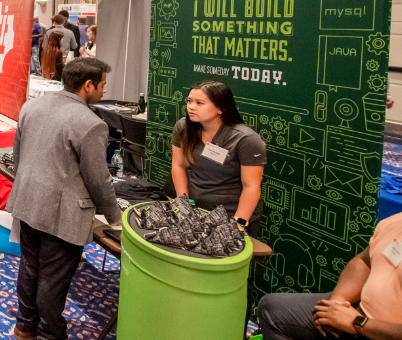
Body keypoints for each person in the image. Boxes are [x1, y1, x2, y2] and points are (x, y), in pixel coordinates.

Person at [7, 57, 121, 340]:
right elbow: (98, 178)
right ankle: (49, 334)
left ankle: (25, 326)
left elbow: (18, 157)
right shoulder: (91, 123)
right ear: (87, 85)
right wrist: (115, 217)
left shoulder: (31, 105)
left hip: (27, 201)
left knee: (30, 268)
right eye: (102, 85)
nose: (104, 91)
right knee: (52, 280)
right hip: (62, 213)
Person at [257, 212, 402, 340]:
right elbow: (364, 261)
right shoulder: (394, 222)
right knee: (271, 309)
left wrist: (358, 323)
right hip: (359, 313)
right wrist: (338, 301)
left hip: (376, 329)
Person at [171, 81, 266, 235]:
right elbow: (178, 166)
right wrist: (183, 205)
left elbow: (251, 186)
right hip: (197, 211)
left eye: (199, 103)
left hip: (231, 217)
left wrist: (238, 225)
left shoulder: (245, 138)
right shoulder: (183, 127)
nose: (191, 107)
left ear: (220, 108)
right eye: (189, 101)